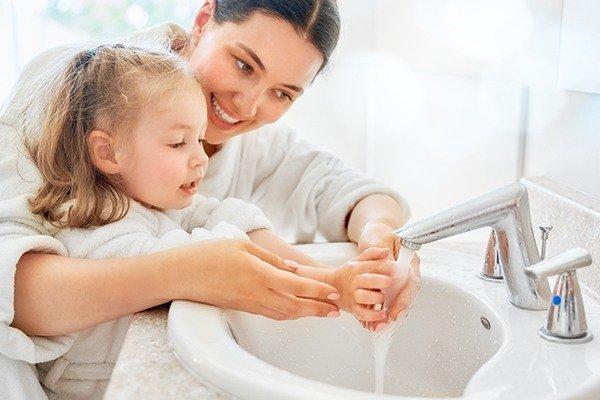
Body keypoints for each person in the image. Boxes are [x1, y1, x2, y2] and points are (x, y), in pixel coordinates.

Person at [0, 0, 419, 397]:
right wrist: (182, 272)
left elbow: (347, 192)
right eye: (243, 65)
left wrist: (379, 243)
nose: (249, 105)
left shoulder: (256, 149)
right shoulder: (75, 92)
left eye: (283, 94)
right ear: (204, 19)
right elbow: (10, 287)